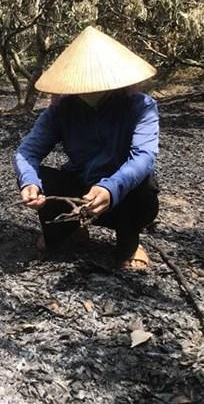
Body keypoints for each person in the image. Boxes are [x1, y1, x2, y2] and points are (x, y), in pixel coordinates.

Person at [14, 26, 160, 270]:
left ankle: (129, 241)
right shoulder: (61, 111)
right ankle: (72, 229)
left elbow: (143, 157)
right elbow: (27, 152)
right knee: (45, 179)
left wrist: (110, 188)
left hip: (123, 195)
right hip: (79, 190)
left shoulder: (140, 107)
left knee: (143, 184)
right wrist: (29, 182)